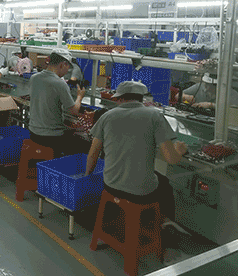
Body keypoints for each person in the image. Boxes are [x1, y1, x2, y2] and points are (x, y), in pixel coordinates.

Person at [85, 81, 188, 234]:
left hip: (110, 185)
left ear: (119, 98)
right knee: (165, 184)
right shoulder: (154, 116)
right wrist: (179, 150)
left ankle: (145, 221)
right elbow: (172, 159)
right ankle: (164, 226)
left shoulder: (107, 116)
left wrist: (87, 176)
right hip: (141, 192)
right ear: (141, 98)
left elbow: (93, 154)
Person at [28, 48, 86, 156]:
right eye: (68, 67)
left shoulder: (34, 77)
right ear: (63, 64)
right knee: (81, 143)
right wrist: (79, 96)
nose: (67, 71)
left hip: (33, 132)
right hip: (51, 137)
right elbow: (73, 111)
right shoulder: (60, 84)